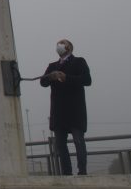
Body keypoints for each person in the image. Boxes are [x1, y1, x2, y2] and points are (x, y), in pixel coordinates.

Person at [41, 38, 92, 175]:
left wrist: (66, 77)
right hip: (58, 111)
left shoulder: (79, 62)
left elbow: (87, 80)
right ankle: (67, 173)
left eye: (63, 43)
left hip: (75, 109)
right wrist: (50, 77)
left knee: (78, 141)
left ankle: (82, 171)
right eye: (58, 43)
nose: (60, 45)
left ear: (69, 47)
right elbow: (43, 82)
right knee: (60, 144)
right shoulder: (52, 66)